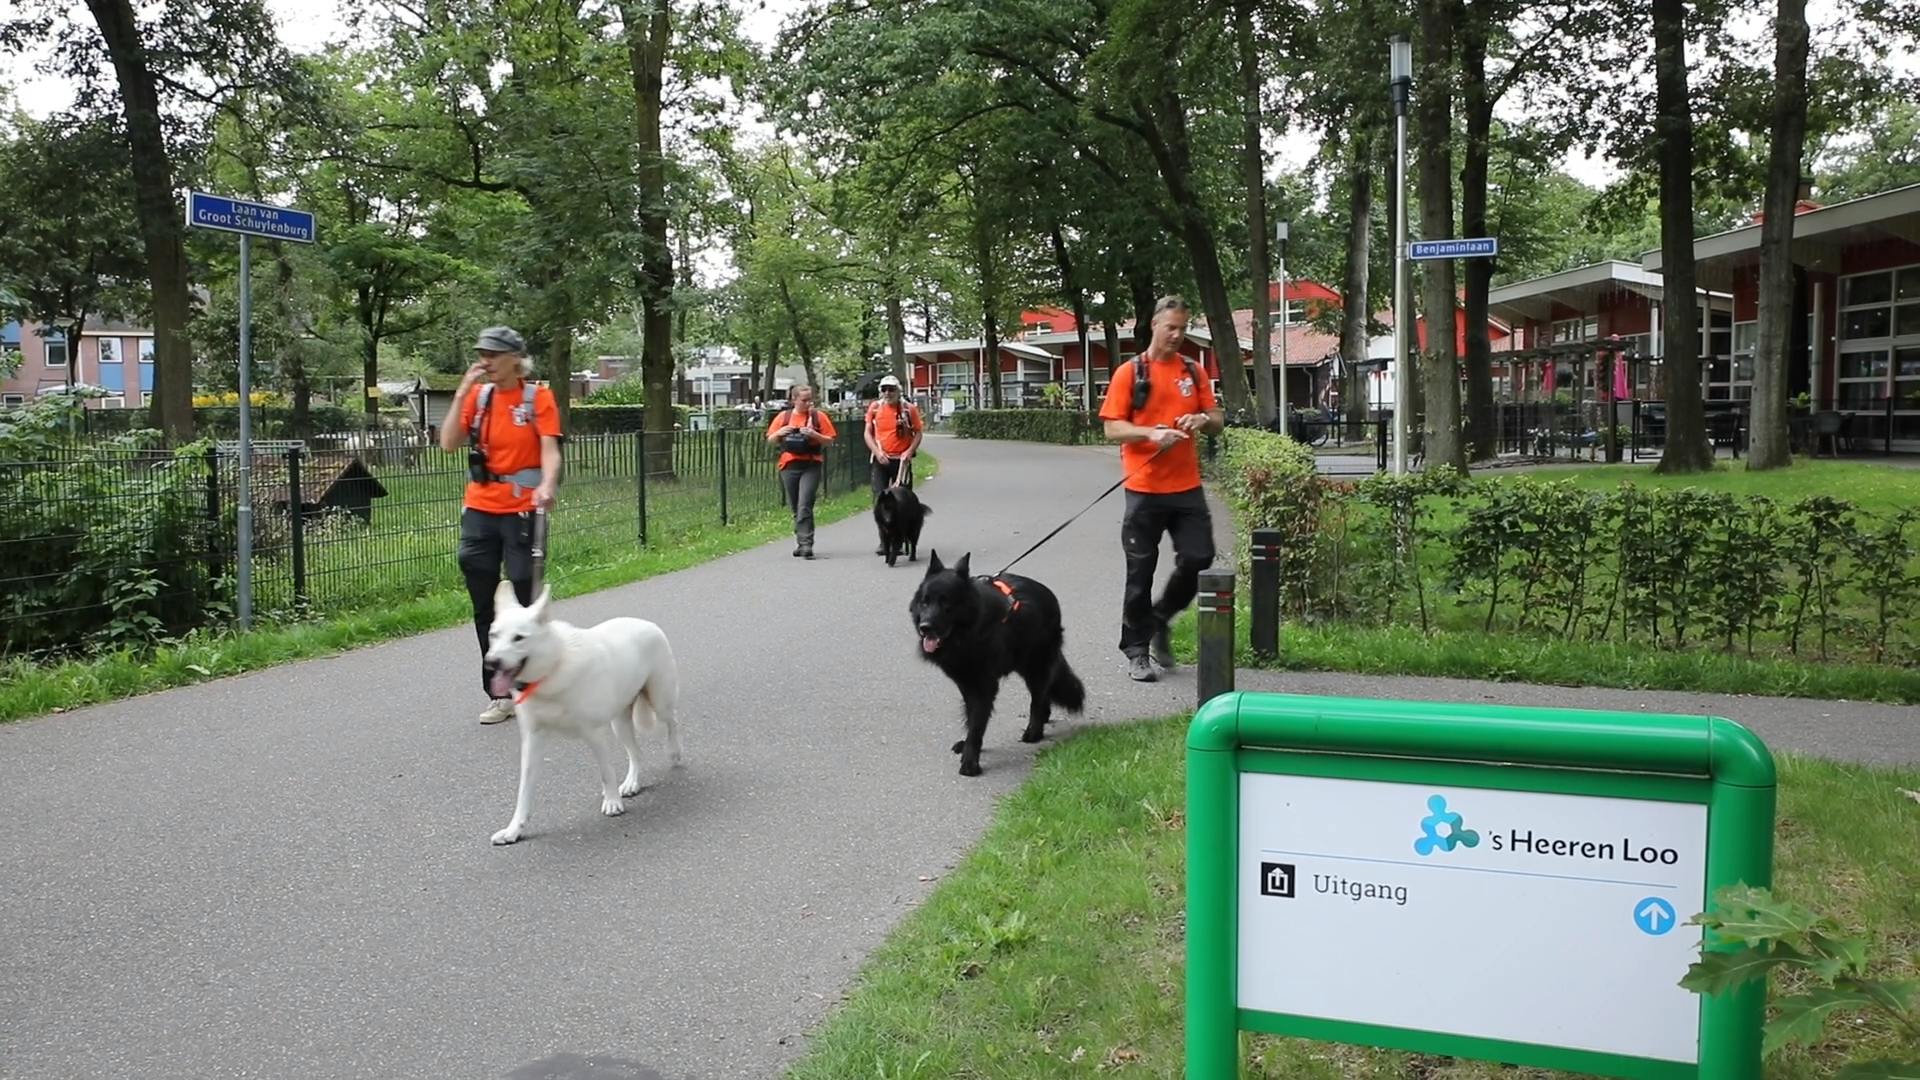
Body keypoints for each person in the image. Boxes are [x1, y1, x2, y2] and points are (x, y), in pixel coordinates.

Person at [439, 326, 562, 723]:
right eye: (482, 354)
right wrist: (461, 393)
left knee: (525, 589)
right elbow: (449, 443)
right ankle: (501, 692)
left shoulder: (537, 397)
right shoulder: (480, 396)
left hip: (522, 506)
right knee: (483, 601)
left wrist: (546, 484)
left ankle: (533, 682)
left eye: (493, 354)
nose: (485, 361)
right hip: (480, 506)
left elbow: (550, 450)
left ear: (515, 358)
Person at [1097, 295, 1224, 682]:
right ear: (1154, 325)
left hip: (1186, 488)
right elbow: (1111, 427)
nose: (1177, 335)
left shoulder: (1193, 371)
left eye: (1183, 328)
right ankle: (1136, 651)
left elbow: (1218, 419)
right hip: (1144, 489)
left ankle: (1160, 617)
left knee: (1200, 558)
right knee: (1140, 574)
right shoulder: (1130, 373)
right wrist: (1151, 434)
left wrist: (1201, 419)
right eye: (1171, 327)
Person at [765, 384, 837, 559]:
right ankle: (800, 541)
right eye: (804, 400)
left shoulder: (818, 417)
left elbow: (830, 441)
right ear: (794, 400)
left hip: (811, 464)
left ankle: (806, 544)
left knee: (805, 504)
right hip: (789, 466)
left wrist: (814, 435)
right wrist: (781, 432)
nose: (808, 403)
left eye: (810, 399)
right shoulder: (784, 417)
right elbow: (771, 440)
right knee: (796, 506)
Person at [864, 372, 923, 496]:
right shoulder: (875, 407)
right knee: (879, 498)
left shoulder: (908, 409)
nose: (887, 393)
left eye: (891, 389)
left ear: (898, 391)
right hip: (881, 459)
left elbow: (918, 433)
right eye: (884, 389)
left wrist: (909, 451)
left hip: (901, 460)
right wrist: (877, 452)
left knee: (903, 499)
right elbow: (867, 433)